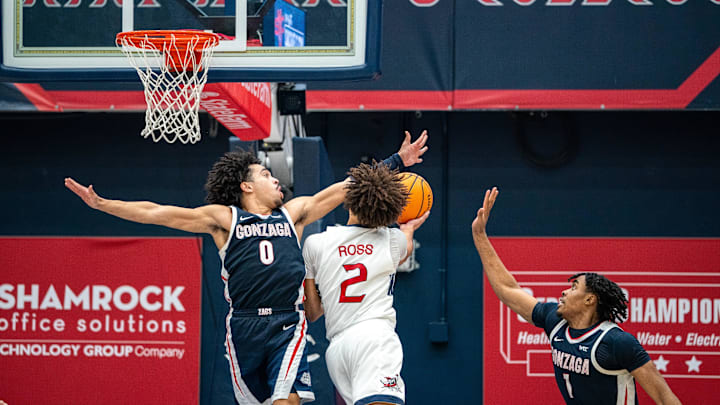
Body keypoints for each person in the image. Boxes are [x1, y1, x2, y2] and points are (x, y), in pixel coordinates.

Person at [64, 130, 428, 405]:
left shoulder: (294, 213)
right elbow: (158, 213)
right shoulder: (224, 219)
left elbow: (345, 189)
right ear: (246, 186)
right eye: (266, 174)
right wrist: (103, 204)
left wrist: (396, 161)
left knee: (289, 400)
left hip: (288, 322)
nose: (274, 179)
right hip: (244, 325)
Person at [471, 187, 681, 405]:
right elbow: (508, 290)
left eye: (573, 288)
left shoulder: (617, 342)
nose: (564, 291)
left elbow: (665, 398)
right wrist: (479, 235)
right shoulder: (555, 321)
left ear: (590, 300)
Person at [302, 162, 429, 405]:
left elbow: (313, 312)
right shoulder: (394, 241)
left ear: (349, 201)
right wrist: (409, 226)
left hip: (337, 349)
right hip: (374, 338)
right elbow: (407, 243)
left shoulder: (315, 244)